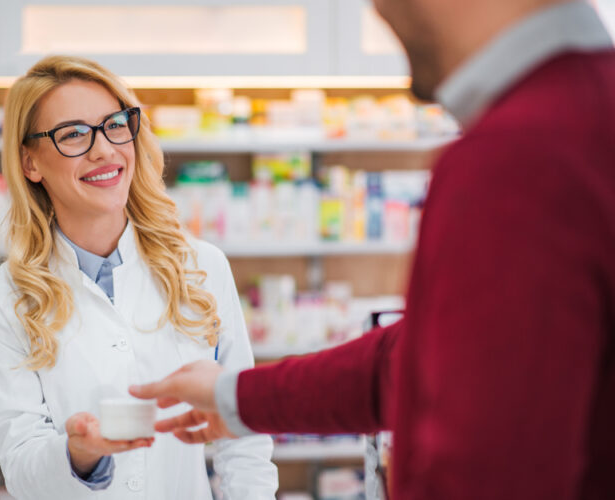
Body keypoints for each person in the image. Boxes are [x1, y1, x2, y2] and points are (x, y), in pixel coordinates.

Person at [130, 1, 615, 498]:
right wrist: (235, 397)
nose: (379, 11)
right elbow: (421, 361)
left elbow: (487, 472)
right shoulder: (586, 111)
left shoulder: (517, 157)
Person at [0, 55, 277, 499]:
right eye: (73, 134)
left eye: (115, 124)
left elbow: (243, 435)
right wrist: (79, 453)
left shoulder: (202, 268)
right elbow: (21, 468)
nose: (104, 150)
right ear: (30, 164)